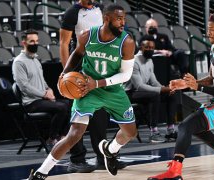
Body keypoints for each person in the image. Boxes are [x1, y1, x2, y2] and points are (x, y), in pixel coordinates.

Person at [28, 4, 136, 179]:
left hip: (112, 90)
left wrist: (98, 83)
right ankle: (41, 173)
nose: (123, 23)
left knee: (131, 133)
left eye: (124, 18)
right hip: (87, 89)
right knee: (74, 134)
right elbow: (77, 54)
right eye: (119, 19)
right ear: (106, 19)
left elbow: (126, 74)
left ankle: (110, 149)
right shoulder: (87, 35)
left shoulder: (127, 41)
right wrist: (64, 73)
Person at [148, 4, 214, 180]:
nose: (209, 33)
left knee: (185, 126)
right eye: (207, 29)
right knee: (194, 127)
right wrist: (186, 83)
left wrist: (196, 87)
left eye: (212, 30)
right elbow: (210, 78)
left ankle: (175, 171)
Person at [59, 0, 126, 172]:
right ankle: (76, 159)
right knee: (77, 115)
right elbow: (64, 44)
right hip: (79, 62)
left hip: (97, 61)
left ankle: (101, 156)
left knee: (100, 112)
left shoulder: (102, 9)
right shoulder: (72, 13)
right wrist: (66, 72)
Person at [12, 29, 70, 149]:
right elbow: (24, 86)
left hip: (42, 99)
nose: (35, 43)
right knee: (62, 107)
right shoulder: (19, 62)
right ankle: (52, 138)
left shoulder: (36, 60)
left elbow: (42, 81)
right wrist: (44, 94)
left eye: (37, 41)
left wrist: (49, 90)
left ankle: (64, 137)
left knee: (70, 103)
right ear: (24, 43)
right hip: (31, 102)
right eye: (32, 41)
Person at [125, 35, 178, 143]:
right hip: (129, 93)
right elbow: (139, 86)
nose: (150, 50)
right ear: (141, 47)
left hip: (142, 92)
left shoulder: (149, 61)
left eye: (152, 48)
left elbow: (153, 82)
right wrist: (160, 90)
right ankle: (154, 133)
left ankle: (170, 130)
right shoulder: (134, 61)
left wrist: (166, 88)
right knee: (155, 95)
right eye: (147, 47)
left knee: (172, 94)